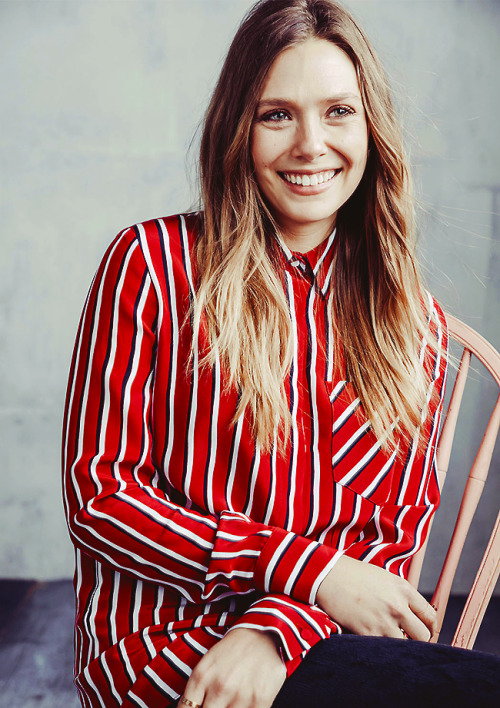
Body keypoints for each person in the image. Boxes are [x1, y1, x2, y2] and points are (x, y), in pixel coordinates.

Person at [62, 1, 500, 707]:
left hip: (316, 636)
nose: (309, 145)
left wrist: (276, 624)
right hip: (167, 647)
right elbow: (104, 498)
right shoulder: (149, 265)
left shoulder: (408, 320)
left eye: (337, 112)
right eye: (276, 115)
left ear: (371, 129)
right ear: (238, 128)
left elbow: (385, 545)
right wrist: (308, 570)